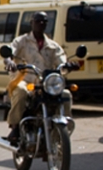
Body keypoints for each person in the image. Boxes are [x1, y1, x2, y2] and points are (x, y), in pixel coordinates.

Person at [4, 11, 73, 144]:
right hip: (25, 79)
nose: (41, 24)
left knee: (66, 94)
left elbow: (62, 62)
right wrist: (9, 62)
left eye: (44, 22)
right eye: (38, 21)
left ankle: (65, 126)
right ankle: (15, 126)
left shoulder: (52, 45)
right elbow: (9, 53)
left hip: (46, 83)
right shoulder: (22, 41)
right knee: (21, 92)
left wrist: (68, 66)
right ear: (31, 23)